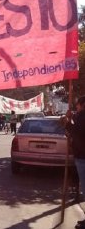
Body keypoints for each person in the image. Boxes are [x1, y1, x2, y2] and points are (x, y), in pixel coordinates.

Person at [62, 96, 85, 228]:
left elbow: (79, 133)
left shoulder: (82, 116)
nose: (77, 107)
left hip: (83, 156)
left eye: (78, 105)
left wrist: (67, 123)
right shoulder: (79, 116)